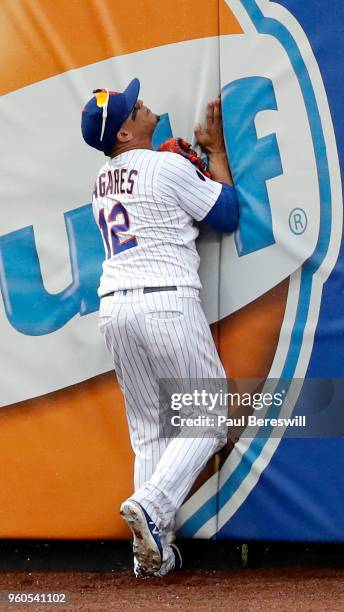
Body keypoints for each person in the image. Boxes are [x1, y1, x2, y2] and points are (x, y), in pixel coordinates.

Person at [81, 78, 239, 577]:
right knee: (209, 417)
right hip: (164, 302)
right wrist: (214, 154)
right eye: (135, 109)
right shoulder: (166, 166)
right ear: (125, 134)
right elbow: (228, 214)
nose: (143, 106)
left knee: (150, 432)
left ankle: (152, 555)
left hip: (116, 310)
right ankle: (150, 505)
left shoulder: (100, 183)